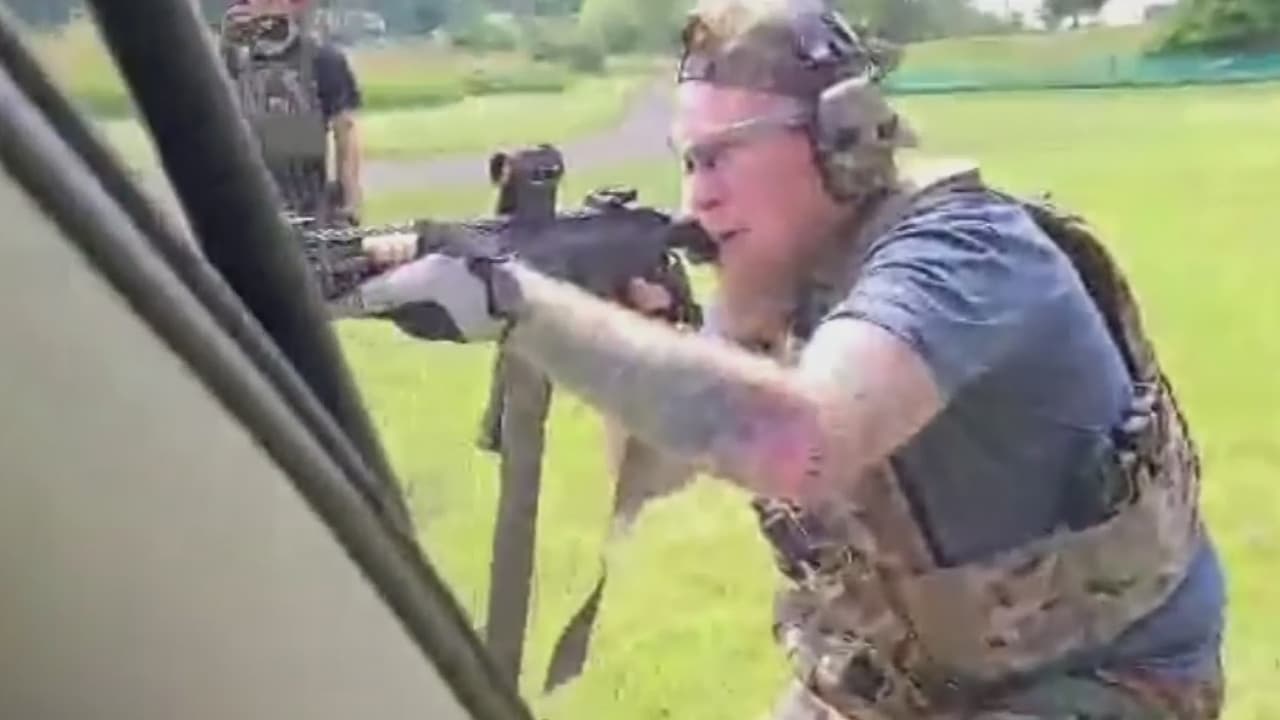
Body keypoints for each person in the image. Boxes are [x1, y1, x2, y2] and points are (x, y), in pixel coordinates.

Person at [358, 0, 1226, 717]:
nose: (697, 198)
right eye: (687, 163)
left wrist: (526, 308)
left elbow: (798, 444)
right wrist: (635, 336)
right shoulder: (781, 276)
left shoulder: (963, 250)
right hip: (912, 683)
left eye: (719, 157)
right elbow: (655, 474)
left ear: (842, 141)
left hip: (1102, 683)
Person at [220, 0, 364, 223]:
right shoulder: (227, 61)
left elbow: (345, 130)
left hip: (308, 203)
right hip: (244, 206)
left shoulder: (323, 59)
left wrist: (350, 201)